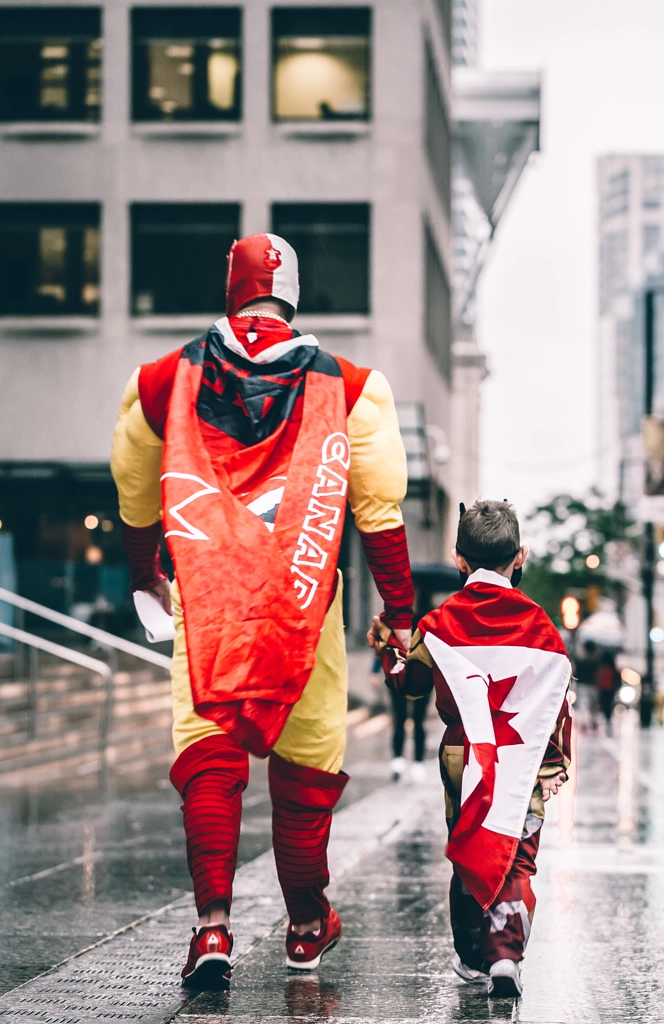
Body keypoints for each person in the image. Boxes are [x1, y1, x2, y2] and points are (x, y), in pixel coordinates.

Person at [111, 234, 414, 988]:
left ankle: (212, 930)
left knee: (209, 757)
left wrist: (147, 578)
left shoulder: (157, 382)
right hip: (303, 605)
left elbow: (134, 497)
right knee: (305, 770)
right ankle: (307, 927)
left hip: (209, 598)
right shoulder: (353, 386)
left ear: (231, 290)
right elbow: (380, 514)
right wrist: (401, 617)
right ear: (292, 296)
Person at [372, 500, 572, 998]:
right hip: (523, 759)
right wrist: (553, 763)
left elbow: (411, 683)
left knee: (469, 853)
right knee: (517, 858)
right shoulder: (541, 626)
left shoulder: (441, 621)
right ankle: (506, 954)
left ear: (460, 559)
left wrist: (385, 648)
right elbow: (559, 700)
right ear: (519, 555)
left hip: (464, 758)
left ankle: (471, 957)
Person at [573, 639, 599, 733]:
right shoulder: (596, 660)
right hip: (593, 685)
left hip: (582, 686)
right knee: (594, 706)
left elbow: (576, 673)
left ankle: (584, 724)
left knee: (584, 705)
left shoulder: (581, 660)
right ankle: (593, 723)